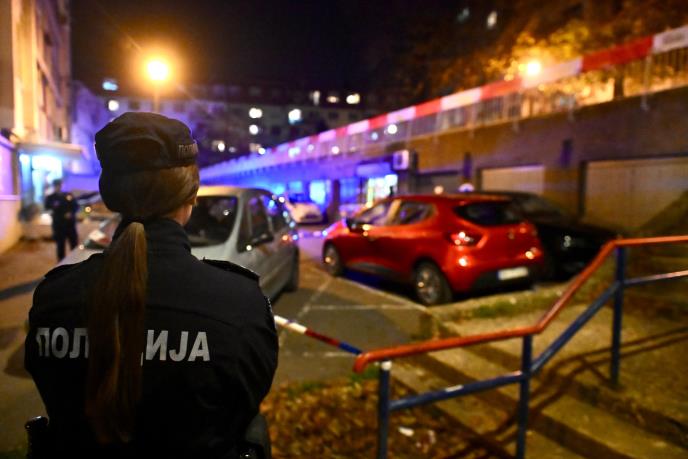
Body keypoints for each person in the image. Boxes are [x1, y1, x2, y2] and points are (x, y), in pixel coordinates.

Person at [25, 112, 278, 458]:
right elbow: (245, 403)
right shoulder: (239, 304)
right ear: (191, 197)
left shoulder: (54, 298)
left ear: (110, 196)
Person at [44, 178, 79, 261]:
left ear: (61, 186)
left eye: (59, 185)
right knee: (60, 246)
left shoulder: (68, 195)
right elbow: (47, 209)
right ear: (53, 186)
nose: (58, 187)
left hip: (70, 225)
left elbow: (76, 206)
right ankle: (61, 264)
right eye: (56, 185)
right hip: (58, 225)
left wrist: (71, 213)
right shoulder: (50, 198)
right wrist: (52, 212)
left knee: (74, 244)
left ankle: (75, 262)